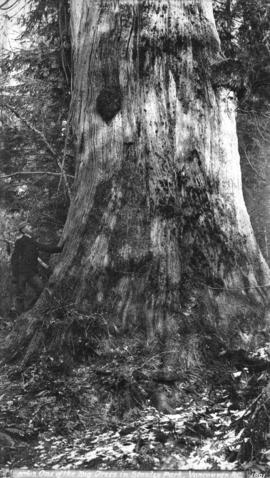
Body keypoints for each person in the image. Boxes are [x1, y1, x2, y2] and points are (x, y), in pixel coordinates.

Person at [11, 222, 64, 314]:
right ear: (23, 230)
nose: (30, 227)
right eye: (28, 226)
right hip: (21, 273)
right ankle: (19, 316)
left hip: (31, 273)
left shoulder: (32, 240)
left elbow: (44, 247)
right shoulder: (19, 242)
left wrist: (59, 249)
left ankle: (29, 309)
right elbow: (14, 258)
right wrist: (15, 275)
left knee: (40, 289)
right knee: (20, 296)